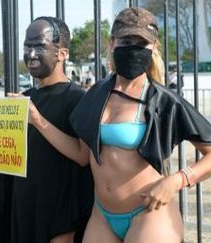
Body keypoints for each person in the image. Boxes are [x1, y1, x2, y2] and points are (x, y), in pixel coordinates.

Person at [25, 8, 211, 242]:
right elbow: (82, 154)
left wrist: (177, 180)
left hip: (149, 214)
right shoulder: (95, 94)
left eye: (141, 42)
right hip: (102, 216)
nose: (133, 48)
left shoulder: (162, 100)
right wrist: (38, 120)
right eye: (126, 41)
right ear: (112, 43)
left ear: (153, 48)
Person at [0, 17, 94, 243]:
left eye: (39, 46)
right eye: (27, 46)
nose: (31, 54)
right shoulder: (26, 99)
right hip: (24, 213)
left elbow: (83, 156)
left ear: (62, 53)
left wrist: (37, 119)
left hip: (58, 221)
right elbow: (8, 158)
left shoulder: (77, 98)